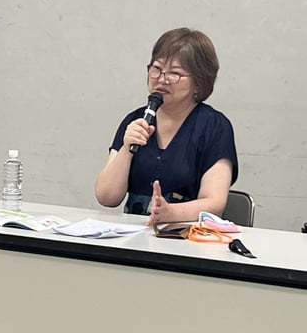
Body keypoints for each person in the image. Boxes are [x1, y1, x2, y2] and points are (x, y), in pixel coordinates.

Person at [95, 27, 238, 225]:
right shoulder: (135, 120)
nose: (162, 79)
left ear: (198, 82)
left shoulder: (214, 127)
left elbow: (215, 202)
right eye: (157, 69)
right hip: (134, 234)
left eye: (175, 73)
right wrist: (126, 149)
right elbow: (106, 197)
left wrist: (171, 213)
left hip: (186, 234)